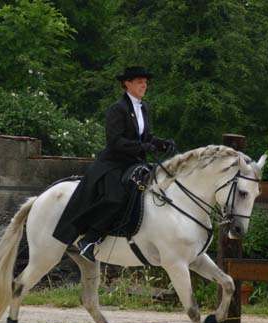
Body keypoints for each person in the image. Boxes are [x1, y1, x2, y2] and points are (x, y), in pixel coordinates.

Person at [52, 66, 175, 262]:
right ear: (127, 84)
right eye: (139, 82)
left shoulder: (143, 107)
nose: (144, 85)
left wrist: (161, 143)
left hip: (134, 162)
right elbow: (115, 141)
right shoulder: (118, 109)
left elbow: (146, 136)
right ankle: (90, 240)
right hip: (113, 163)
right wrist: (143, 146)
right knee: (116, 197)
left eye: (145, 82)